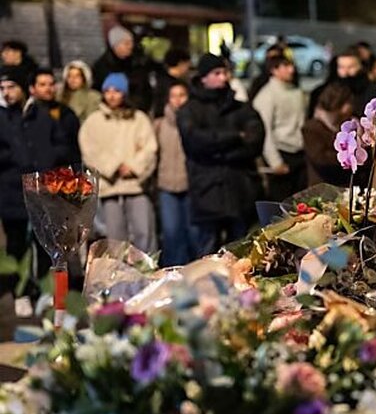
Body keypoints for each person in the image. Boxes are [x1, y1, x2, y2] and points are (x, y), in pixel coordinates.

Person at [176, 54, 265, 255]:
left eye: (225, 72)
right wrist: (235, 136)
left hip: (240, 190)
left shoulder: (240, 108)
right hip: (207, 192)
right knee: (208, 258)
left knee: (243, 256)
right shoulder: (189, 110)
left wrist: (217, 149)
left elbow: (255, 141)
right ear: (203, 77)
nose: (223, 77)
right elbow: (195, 142)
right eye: (217, 73)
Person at [0, 66, 71, 315]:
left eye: (11, 87)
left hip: (41, 190)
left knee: (43, 244)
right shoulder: (2, 116)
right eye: (2, 88)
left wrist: (47, 157)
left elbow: (61, 145)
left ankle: (43, 290)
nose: (7, 93)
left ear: (23, 88)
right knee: (17, 245)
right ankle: (20, 292)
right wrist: (14, 158)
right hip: (11, 191)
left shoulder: (41, 116)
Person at [78, 73, 158, 254]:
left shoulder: (139, 119)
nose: (112, 95)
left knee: (143, 233)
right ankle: (118, 276)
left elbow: (149, 148)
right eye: (107, 91)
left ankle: (146, 273)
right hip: (110, 188)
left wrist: (134, 167)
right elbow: (90, 151)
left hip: (135, 186)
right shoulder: (93, 122)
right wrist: (113, 167)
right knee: (114, 238)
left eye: (116, 91)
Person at [252, 55, 306, 202]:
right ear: (274, 70)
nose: (291, 70)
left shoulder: (296, 92)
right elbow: (265, 131)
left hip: (299, 153)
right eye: (286, 66)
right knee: (280, 206)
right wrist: (274, 161)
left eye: (291, 65)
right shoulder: (266, 95)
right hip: (281, 152)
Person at [154, 81, 196, 266]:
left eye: (182, 95)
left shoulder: (195, 122)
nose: (178, 100)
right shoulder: (159, 125)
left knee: (193, 233)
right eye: (174, 96)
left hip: (191, 184)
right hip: (167, 186)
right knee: (171, 233)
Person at [91, 25, 159, 114]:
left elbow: (145, 90)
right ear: (115, 45)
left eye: (131, 43)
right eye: (126, 43)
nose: (130, 46)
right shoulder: (101, 66)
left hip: (137, 111)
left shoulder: (139, 63)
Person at [303, 82, 355, 187]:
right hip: (323, 187)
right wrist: (350, 156)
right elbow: (320, 158)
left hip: (347, 185)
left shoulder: (351, 124)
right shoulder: (312, 128)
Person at [29, 69, 80, 164]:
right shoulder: (28, 115)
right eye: (42, 85)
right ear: (32, 89)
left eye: (51, 84)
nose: (48, 89)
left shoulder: (66, 113)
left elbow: (74, 145)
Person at [308, 51, 376, 117]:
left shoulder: (373, 91)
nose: (346, 71)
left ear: (360, 67)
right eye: (341, 67)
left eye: (351, 67)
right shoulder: (322, 92)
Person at [151, 48, 191, 118]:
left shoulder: (159, 80)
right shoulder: (175, 84)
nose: (188, 68)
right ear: (181, 63)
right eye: (187, 64)